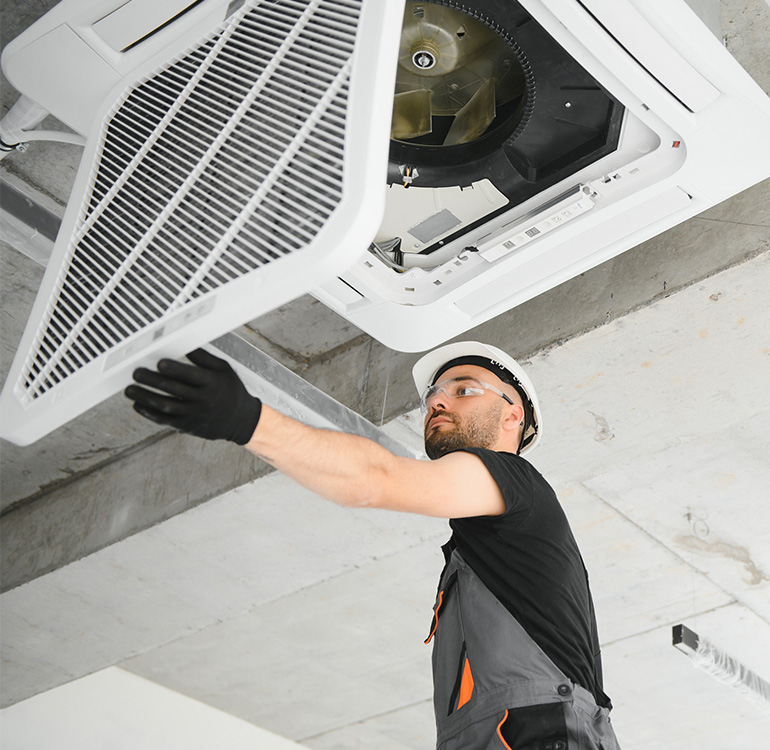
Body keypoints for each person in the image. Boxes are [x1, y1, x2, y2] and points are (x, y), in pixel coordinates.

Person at [125, 340, 620, 750]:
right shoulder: (483, 544)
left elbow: (373, 478)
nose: (437, 402)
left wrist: (245, 419)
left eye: (463, 389)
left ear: (513, 416)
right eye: (433, 395)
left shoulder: (516, 483)